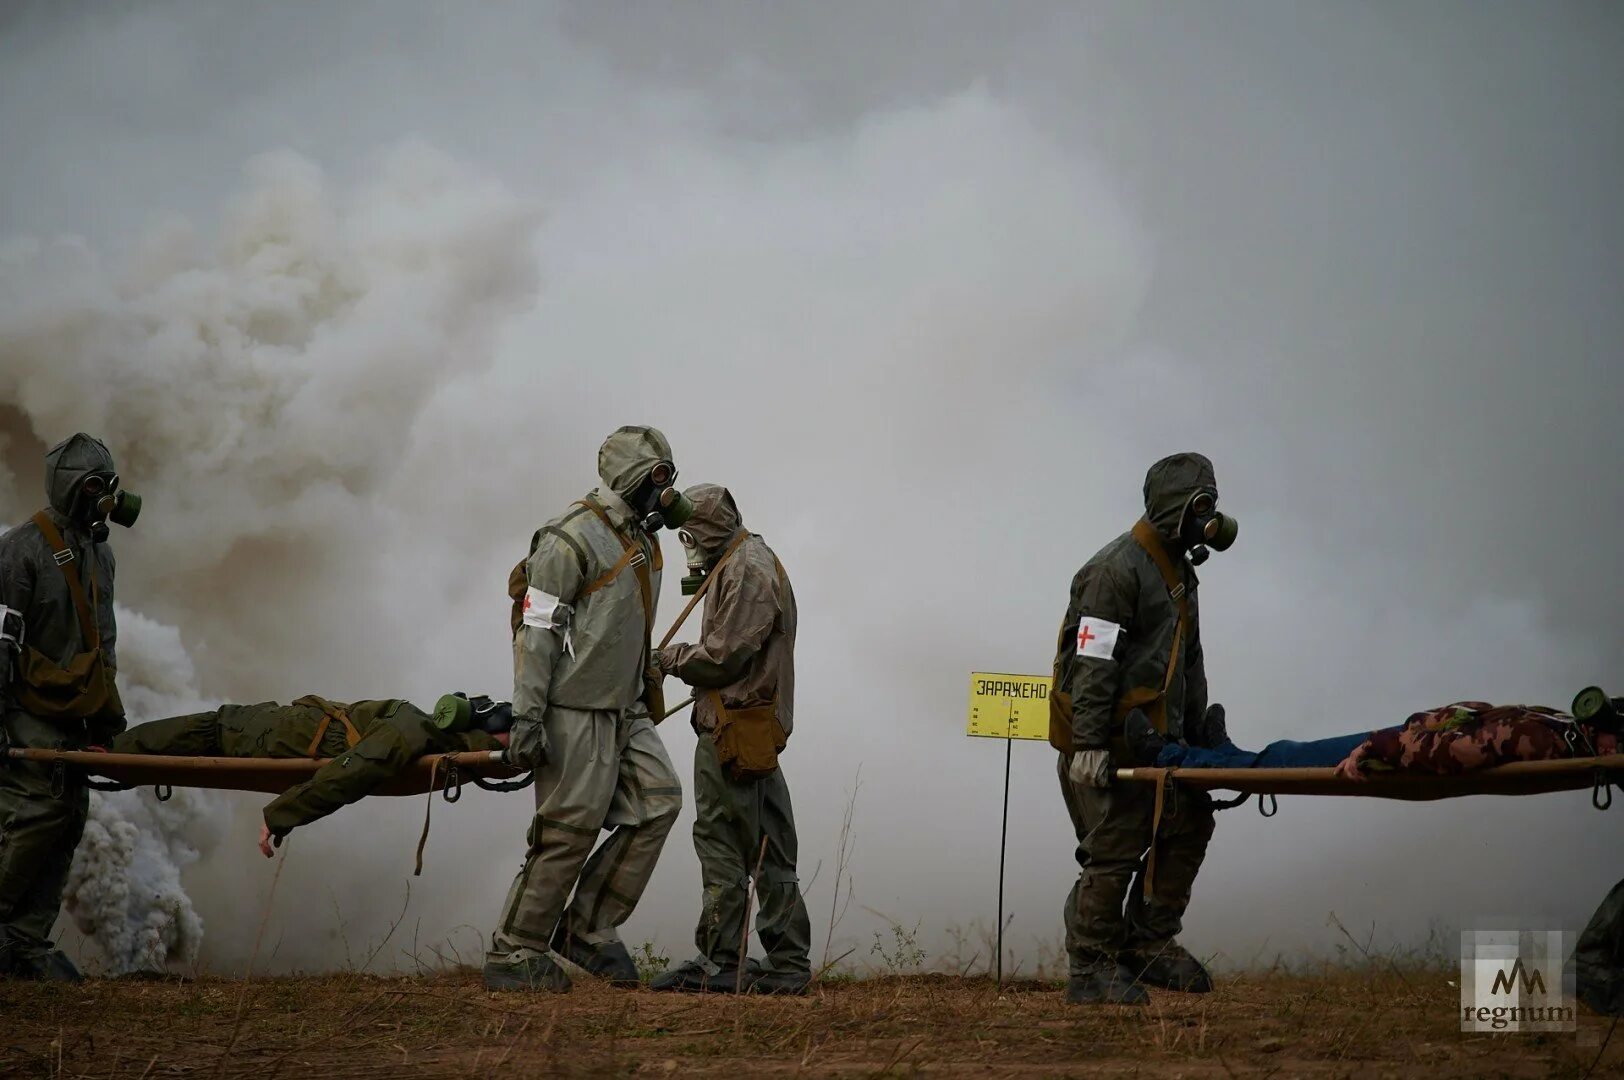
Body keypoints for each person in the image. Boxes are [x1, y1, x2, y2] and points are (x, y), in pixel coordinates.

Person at [483, 426, 688, 993]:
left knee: (659, 803)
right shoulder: (569, 539)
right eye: (658, 475)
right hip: (574, 708)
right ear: (630, 477)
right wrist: (528, 717)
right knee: (568, 831)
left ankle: (588, 927)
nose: (666, 488)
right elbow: (537, 629)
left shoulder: (644, 541)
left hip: (625, 710)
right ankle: (514, 950)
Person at [1049, 452, 1237, 1005]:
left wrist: (1203, 738)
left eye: (1213, 501)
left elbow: (1190, 661)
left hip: (1163, 741)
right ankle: (1090, 965)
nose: (1210, 515)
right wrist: (1087, 743)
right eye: (1200, 502)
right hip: (1108, 743)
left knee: (1189, 824)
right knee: (1114, 849)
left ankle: (1149, 943)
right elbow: (1092, 663)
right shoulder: (1114, 571)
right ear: (1173, 506)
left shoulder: (1180, 573)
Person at [648, 485, 811, 995]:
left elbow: (724, 656)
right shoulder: (749, 559)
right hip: (752, 728)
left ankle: (720, 962)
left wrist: (664, 659)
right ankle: (786, 963)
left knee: (720, 842)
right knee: (771, 846)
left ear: (712, 529)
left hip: (730, 729)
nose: (688, 545)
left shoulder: (745, 569)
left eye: (691, 535)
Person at [0, 434, 138, 981]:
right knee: (32, 819)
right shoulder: (22, 549)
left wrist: (110, 722)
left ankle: (25, 942)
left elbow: (103, 645)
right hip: (27, 710)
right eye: (93, 487)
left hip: (78, 714)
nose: (104, 498)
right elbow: (2, 642)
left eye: (107, 486)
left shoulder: (101, 554)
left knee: (67, 825)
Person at [110, 693, 512, 856]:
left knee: (216, 727)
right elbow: (353, 772)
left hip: (291, 728)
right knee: (215, 729)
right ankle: (110, 753)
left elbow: (355, 770)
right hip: (284, 731)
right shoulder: (412, 728)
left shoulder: (434, 740)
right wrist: (281, 814)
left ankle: (112, 754)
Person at [1333, 700, 1619, 779]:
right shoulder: (1557, 730)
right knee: (1291, 756)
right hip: (1413, 736)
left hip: (1402, 749)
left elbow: (1450, 753)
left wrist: (1374, 745)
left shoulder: (1552, 744)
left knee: (1298, 758)